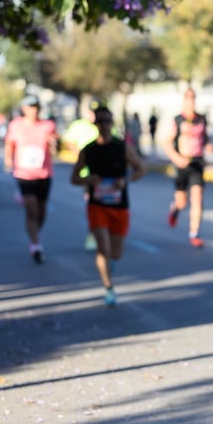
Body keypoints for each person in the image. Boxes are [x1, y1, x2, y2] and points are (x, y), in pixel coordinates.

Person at [70, 106, 144, 307]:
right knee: (103, 247)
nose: (104, 125)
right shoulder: (88, 150)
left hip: (119, 205)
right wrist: (89, 179)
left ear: (112, 124)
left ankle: (110, 266)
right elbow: (74, 178)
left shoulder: (122, 148)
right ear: (95, 124)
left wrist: (125, 180)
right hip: (97, 205)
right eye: (100, 121)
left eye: (107, 121)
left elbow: (140, 169)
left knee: (116, 252)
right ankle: (109, 288)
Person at [3, 95, 59, 263]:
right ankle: (35, 244)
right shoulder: (16, 125)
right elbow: (9, 143)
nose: (33, 110)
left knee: (41, 211)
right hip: (24, 173)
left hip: (44, 173)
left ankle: (34, 233)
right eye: (30, 107)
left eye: (36, 107)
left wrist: (54, 144)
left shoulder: (47, 126)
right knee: (32, 210)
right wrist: (8, 159)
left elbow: (55, 144)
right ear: (24, 109)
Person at [162, 88, 213, 248]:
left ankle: (194, 234)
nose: (191, 102)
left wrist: (209, 146)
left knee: (197, 197)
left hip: (197, 163)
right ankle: (175, 208)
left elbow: (205, 139)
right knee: (182, 202)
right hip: (181, 165)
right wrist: (176, 158)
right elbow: (166, 143)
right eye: (188, 99)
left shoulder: (201, 119)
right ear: (184, 101)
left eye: (193, 99)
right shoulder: (177, 120)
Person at [63, 102, 101, 251]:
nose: (94, 115)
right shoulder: (79, 125)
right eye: (92, 112)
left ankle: (105, 232)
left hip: (104, 173)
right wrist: (78, 153)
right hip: (87, 172)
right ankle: (93, 232)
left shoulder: (103, 125)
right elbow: (67, 141)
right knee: (92, 202)